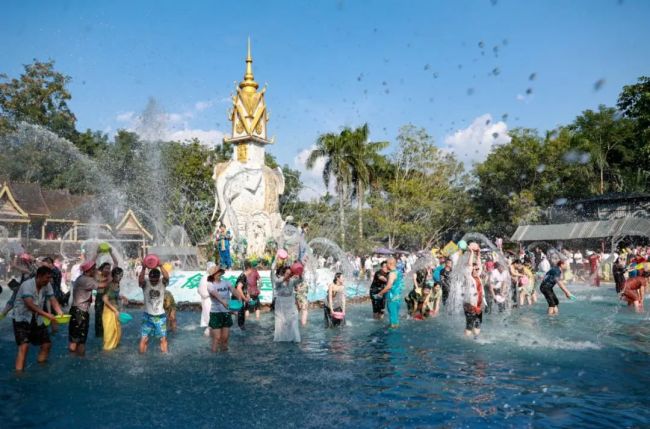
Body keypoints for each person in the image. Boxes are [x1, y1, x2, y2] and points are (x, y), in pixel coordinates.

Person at [11, 266, 64, 371]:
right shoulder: (27, 285)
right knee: (24, 346)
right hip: (21, 318)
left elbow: (52, 299)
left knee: (46, 344)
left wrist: (60, 312)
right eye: (47, 277)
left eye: (50, 278)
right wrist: (47, 315)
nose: (49, 280)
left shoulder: (47, 284)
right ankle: (19, 373)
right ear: (39, 276)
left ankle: (41, 366)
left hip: (36, 318)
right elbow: (29, 305)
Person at [69, 258, 111, 356]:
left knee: (74, 338)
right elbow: (103, 285)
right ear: (90, 270)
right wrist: (110, 277)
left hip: (76, 311)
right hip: (81, 312)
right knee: (81, 341)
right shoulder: (86, 280)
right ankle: (79, 360)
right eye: (94, 269)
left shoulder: (81, 278)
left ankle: (73, 358)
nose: (96, 270)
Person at [138, 261, 170, 354]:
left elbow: (167, 277)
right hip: (147, 316)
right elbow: (140, 281)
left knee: (163, 339)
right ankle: (141, 358)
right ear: (149, 277)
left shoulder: (162, 283)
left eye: (156, 279)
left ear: (159, 278)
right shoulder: (145, 284)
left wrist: (160, 265)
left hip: (160, 317)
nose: (154, 281)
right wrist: (143, 268)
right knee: (144, 338)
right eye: (152, 279)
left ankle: (164, 356)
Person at [207, 266, 241, 352]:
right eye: (217, 273)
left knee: (225, 338)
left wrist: (239, 296)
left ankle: (224, 356)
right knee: (217, 338)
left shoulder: (226, 282)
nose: (219, 274)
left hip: (226, 312)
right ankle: (213, 357)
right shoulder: (210, 285)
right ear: (213, 275)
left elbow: (233, 290)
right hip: (216, 313)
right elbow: (215, 294)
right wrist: (223, 302)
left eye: (220, 272)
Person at [271, 265, 301, 342]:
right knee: (280, 324)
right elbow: (277, 281)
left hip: (290, 304)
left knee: (293, 322)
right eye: (287, 273)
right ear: (284, 274)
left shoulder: (292, 280)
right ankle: (280, 340)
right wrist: (285, 278)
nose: (289, 275)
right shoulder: (279, 280)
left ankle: (295, 339)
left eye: (290, 274)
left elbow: (300, 280)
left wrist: (300, 273)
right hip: (280, 305)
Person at [94, 248, 119, 338]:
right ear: (102, 268)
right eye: (106, 268)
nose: (108, 270)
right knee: (98, 315)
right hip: (99, 297)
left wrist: (111, 253)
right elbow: (92, 263)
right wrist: (97, 253)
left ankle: (108, 332)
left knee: (109, 316)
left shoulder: (110, 275)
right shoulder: (97, 274)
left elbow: (116, 263)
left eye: (109, 268)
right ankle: (99, 334)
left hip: (109, 298)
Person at [102, 267, 128, 351]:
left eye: (122, 275)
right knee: (109, 333)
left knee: (117, 332)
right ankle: (106, 351)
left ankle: (113, 349)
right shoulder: (109, 285)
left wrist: (122, 297)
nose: (121, 277)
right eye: (119, 276)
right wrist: (115, 310)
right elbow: (105, 299)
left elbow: (114, 295)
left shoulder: (117, 284)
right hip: (109, 312)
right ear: (114, 275)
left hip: (115, 311)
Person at [375, 257, 403, 329]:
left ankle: (393, 335)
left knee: (393, 319)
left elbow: (389, 286)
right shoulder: (398, 272)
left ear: (390, 264)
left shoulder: (392, 274)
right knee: (395, 316)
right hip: (398, 298)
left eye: (387, 263)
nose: (386, 265)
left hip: (392, 298)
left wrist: (380, 293)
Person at [198, 262, 215, 336]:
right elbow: (203, 293)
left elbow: (198, 290)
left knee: (210, 323)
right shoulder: (207, 278)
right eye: (213, 268)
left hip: (207, 301)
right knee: (211, 324)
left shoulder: (206, 277)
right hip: (208, 302)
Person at [234, 262, 251, 330]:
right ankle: (241, 331)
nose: (251, 271)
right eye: (251, 269)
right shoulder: (242, 276)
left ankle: (241, 329)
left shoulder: (244, 276)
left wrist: (247, 295)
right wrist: (245, 298)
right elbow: (238, 288)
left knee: (241, 317)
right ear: (248, 269)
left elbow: (244, 288)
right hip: (239, 300)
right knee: (240, 318)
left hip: (240, 300)